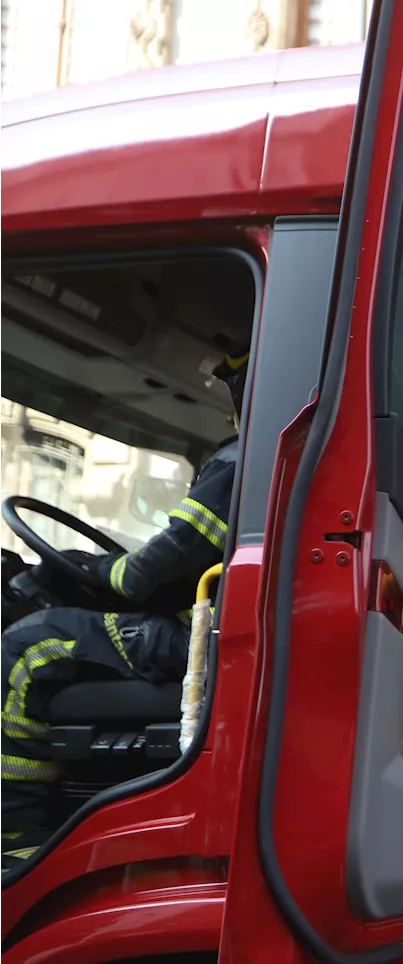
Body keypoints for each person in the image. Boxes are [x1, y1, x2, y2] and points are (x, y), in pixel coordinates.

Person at [0, 349, 248, 865]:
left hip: (203, 643)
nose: (231, 412)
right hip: (225, 634)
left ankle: (16, 840)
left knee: (26, 645)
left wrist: (94, 571)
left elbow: (140, 575)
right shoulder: (275, 460)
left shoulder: (239, 462)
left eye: (233, 392)